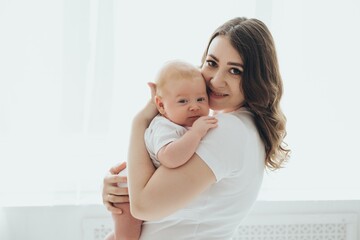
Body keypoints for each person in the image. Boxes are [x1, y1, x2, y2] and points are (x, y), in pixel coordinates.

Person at [103, 17, 290, 240]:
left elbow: (144, 206)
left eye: (235, 71)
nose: (216, 80)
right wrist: (122, 189)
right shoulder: (233, 127)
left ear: (255, 78)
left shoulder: (229, 130)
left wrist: (140, 121)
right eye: (212, 63)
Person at [107, 60, 218, 240]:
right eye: (183, 101)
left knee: (126, 234)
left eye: (201, 99)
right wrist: (196, 133)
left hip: (141, 187)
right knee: (126, 238)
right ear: (161, 105)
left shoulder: (183, 123)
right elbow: (170, 158)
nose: (194, 106)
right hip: (127, 192)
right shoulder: (164, 127)